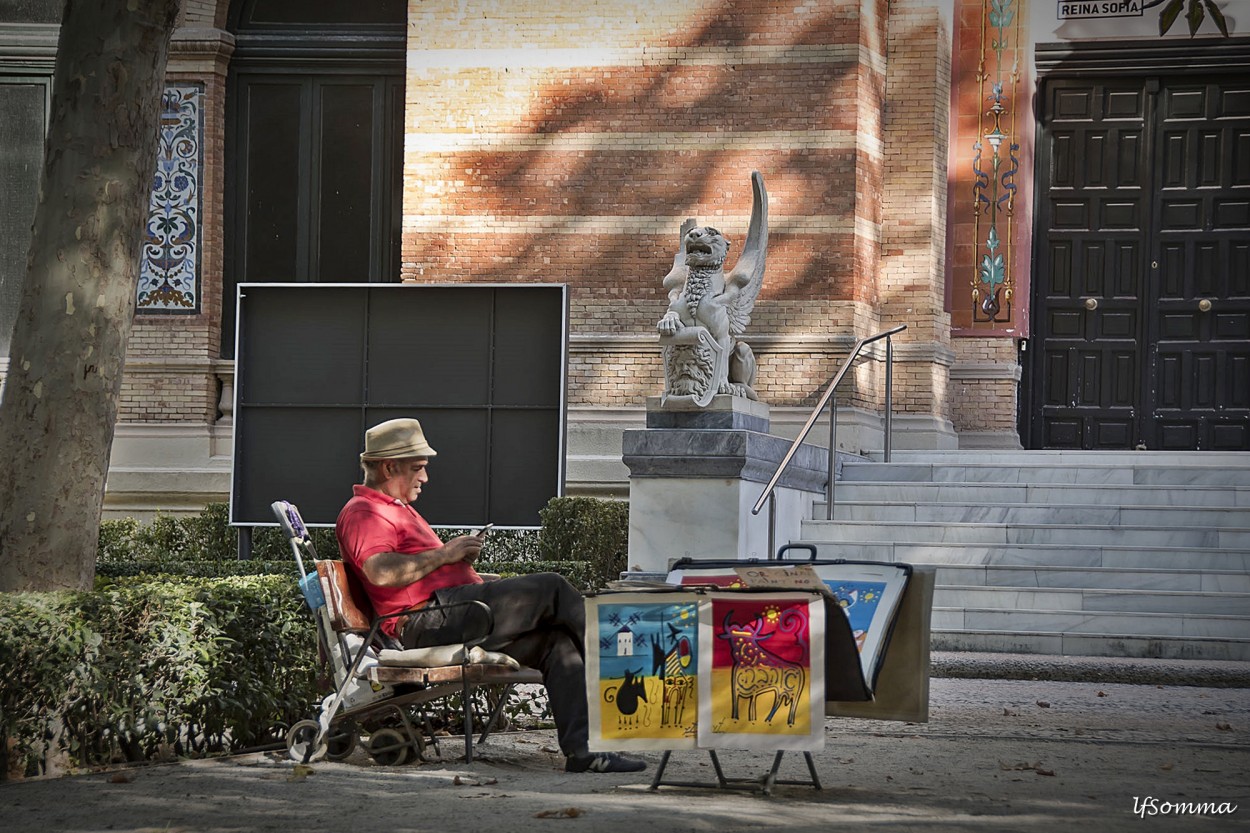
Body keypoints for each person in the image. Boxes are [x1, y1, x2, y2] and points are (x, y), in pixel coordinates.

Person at [335, 417, 645, 774]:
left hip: (450, 612)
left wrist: (469, 572)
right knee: (551, 587)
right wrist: (446, 555)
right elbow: (379, 571)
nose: (425, 477)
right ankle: (631, 664)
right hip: (427, 621)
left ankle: (585, 753)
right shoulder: (365, 511)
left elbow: (412, 570)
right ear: (390, 467)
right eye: (418, 468)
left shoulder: (395, 508)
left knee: (557, 643)